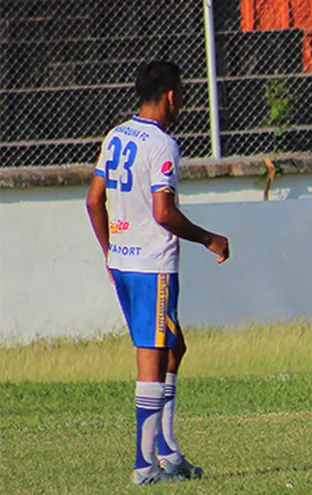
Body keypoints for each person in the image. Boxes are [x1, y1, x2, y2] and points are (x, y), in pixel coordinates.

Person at [85, 60, 229, 485]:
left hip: (125, 263)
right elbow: (164, 213)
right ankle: (145, 468)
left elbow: (94, 201)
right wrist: (208, 238)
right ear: (171, 96)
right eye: (181, 94)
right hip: (152, 267)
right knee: (151, 357)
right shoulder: (161, 144)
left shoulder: (115, 135)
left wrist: (111, 253)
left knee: (173, 346)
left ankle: (167, 451)